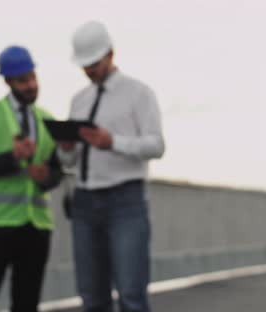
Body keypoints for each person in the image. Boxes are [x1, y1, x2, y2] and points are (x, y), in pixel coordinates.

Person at [58, 21, 165, 312]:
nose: (89, 70)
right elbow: (69, 161)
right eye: (85, 65)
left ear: (110, 54)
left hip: (125, 201)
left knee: (131, 295)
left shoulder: (138, 93)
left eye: (93, 63)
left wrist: (112, 142)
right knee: (92, 298)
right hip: (84, 201)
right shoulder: (78, 101)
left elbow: (156, 145)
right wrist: (66, 149)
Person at [0, 45, 63, 312]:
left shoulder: (47, 120)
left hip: (36, 227)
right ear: (8, 81)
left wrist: (46, 177)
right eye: (22, 80)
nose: (30, 85)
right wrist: (11, 157)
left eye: (32, 77)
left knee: (27, 302)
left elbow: (56, 171)